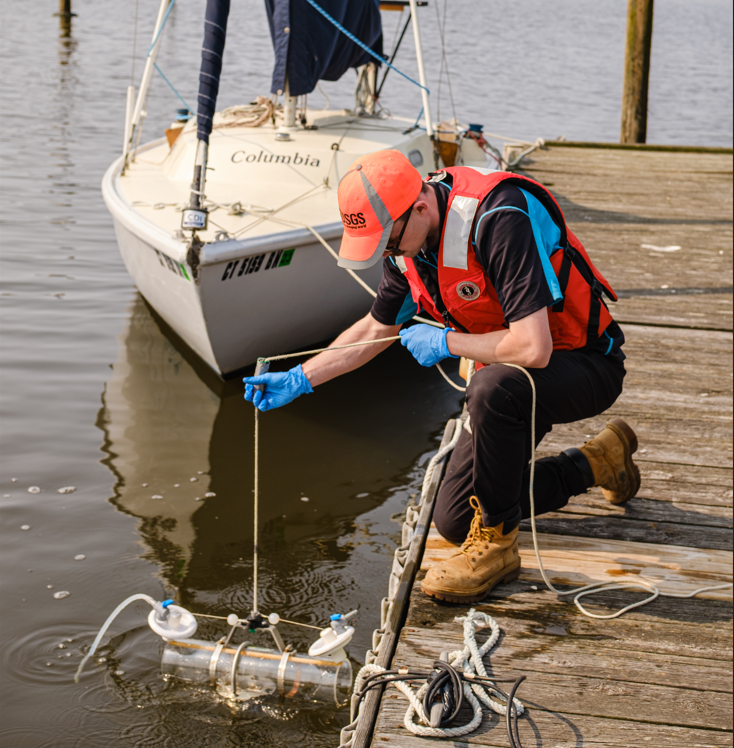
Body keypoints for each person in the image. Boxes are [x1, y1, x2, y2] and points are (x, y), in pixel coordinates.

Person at [244, 149, 640, 604]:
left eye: (388, 242)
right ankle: (596, 462)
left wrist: (447, 343)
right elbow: (376, 328)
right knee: (454, 520)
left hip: (584, 364)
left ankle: (499, 546)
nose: (387, 254)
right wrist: (299, 378)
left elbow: (533, 347)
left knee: (490, 387)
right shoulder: (407, 245)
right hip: (514, 374)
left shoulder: (497, 219)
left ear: (419, 208)